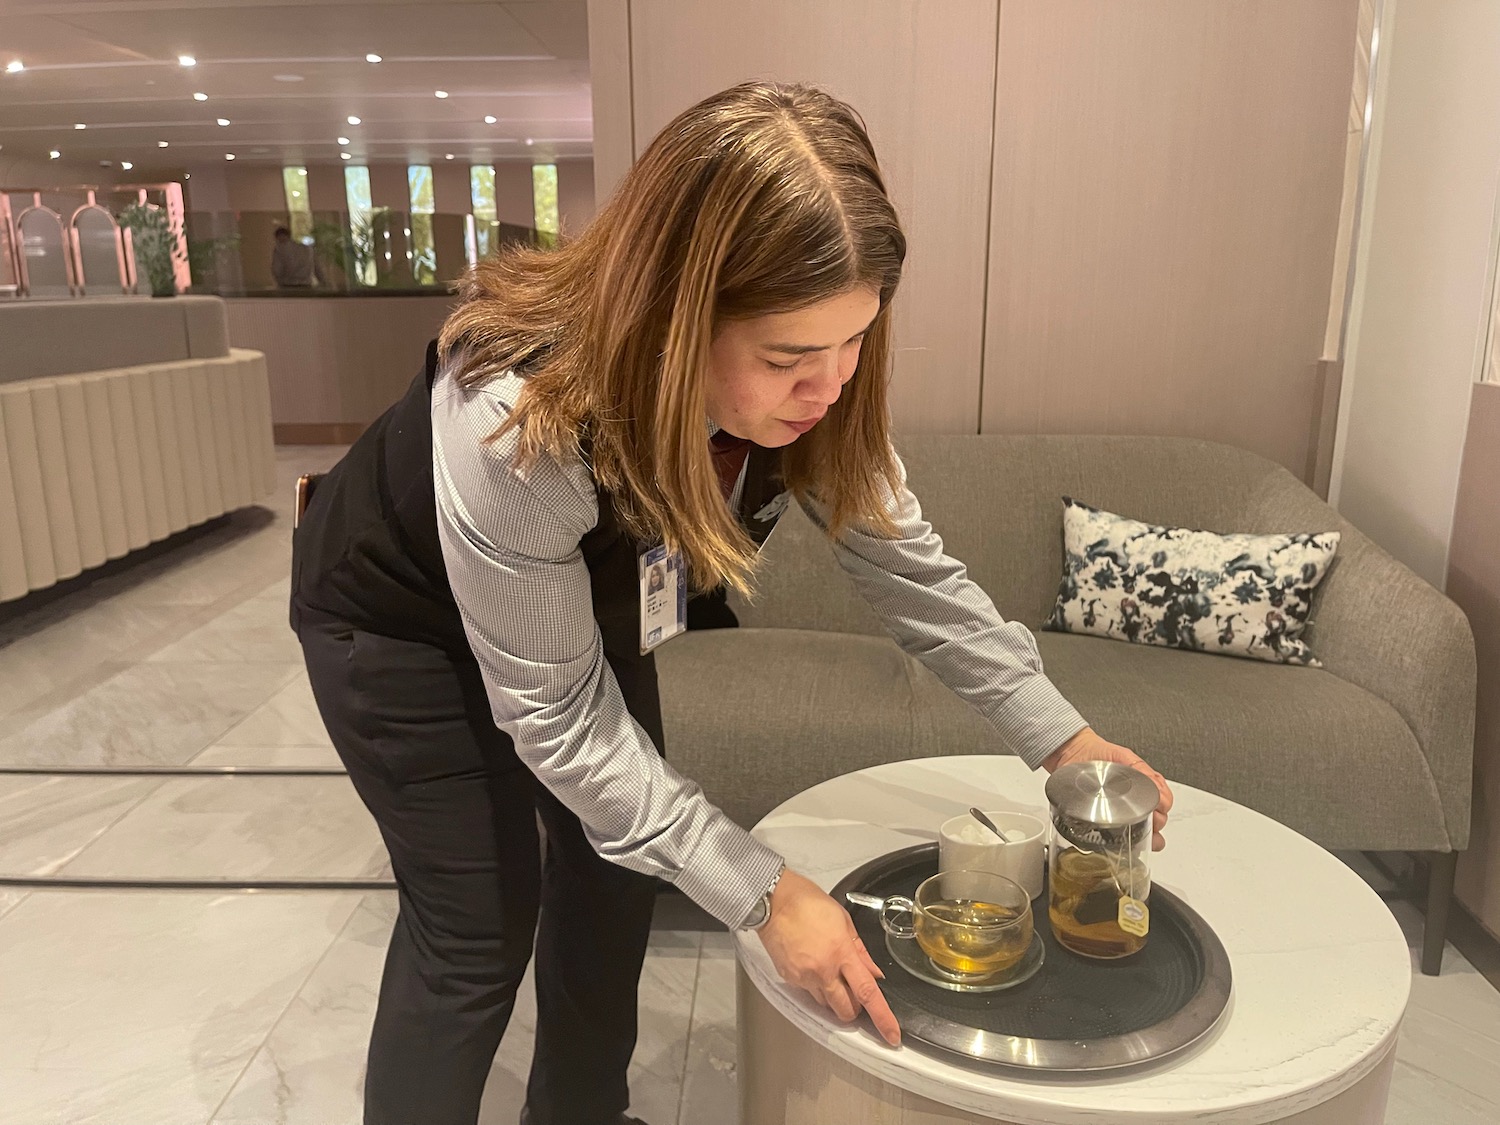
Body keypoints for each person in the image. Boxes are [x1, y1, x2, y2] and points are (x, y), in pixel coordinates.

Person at [289, 81, 1174, 1125]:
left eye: (855, 343)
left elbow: (915, 576)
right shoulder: (514, 416)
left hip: (583, 611)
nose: (829, 387)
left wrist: (1061, 737)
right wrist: (765, 891)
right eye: (790, 358)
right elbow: (558, 720)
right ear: (671, 317)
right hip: (398, 620)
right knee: (477, 926)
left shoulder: (823, 394)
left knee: (615, 880)